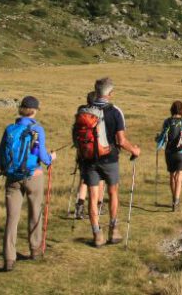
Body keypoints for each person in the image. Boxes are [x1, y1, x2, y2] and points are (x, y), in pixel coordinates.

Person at [76, 77, 141, 248]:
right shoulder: (115, 111)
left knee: (93, 196)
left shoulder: (84, 110)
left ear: (96, 91)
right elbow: (120, 140)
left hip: (89, 160)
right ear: (110, 93)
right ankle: (114, 229)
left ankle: (97, 234)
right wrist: (134, 150)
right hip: (110, 159)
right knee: (113, 193)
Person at [0, 95, 56, 272]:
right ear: (35, 110)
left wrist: (6, 169)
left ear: (21, 109)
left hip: (12, 178)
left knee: (11, 219)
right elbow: (43, 157)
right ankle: (35, 249)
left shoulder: (10, 129)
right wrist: (52, 158)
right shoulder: (37, 129)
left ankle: (8, 258)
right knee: (35, 212)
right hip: (34, 176)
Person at [155, 100, 182, 211]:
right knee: (179, 177)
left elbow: (162, 136)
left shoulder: (167, 121)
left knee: (172, 176)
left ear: (171, 109)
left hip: (169, 152)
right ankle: (176, 202)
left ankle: (174, 200)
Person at [73, 91, 103, 219]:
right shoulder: (100, 113)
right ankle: (98, 206)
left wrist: (77, 146)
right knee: (100, 179)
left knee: (84, 179)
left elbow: (74, 131)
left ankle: (79, 206)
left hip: (82, 151)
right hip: (97, 151)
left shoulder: (81, 112)